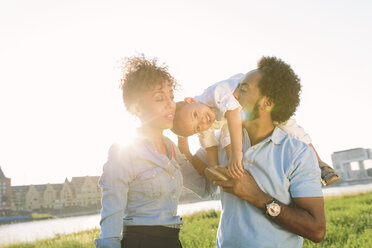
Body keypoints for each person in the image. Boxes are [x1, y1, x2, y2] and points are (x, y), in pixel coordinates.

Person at [199, 56, 326, 247]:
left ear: (267, 103)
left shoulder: (297, 154)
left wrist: (258, 197)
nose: (233, 96)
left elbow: (316, 230)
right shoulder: (222, 143)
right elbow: (187, 175)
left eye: (243, 90)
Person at [94, 55, 212, 248]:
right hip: (140, 242)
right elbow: (111, 218)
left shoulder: (172, 150)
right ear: (137, 108)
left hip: (173, 241)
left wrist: (212, 133)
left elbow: (206, 188)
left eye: (172, 97)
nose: (170, 104)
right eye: (159, 98)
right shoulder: (123, 151)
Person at [172, 73, 339, 186]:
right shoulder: (205, 122)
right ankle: (238, 171)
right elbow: (210, 147)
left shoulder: (215, 93)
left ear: (190, 100)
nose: (202, 122)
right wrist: (215, 168)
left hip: (255, 94)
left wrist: (236, 154)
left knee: (287, 124)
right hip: (243, 112)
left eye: (195, 115)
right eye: (197, 128)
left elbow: (233, 115)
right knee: (225, 135)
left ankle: (320, 163)